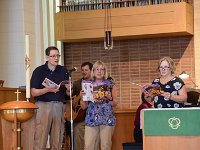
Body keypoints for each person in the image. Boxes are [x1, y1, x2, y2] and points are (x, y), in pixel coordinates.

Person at [30, 46, 70, 150]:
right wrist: (47, 89)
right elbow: (33, 92)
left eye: (58, 55)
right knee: (41, 137)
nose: (56, 58)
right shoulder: (39, 71)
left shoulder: (63, 70)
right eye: (53, 56)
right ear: (47, 57)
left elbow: (67, 95)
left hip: (59, 105)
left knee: (57, 138)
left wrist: (69, 90)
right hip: (43, 105)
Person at [81, 60, 117, 150]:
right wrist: (82, 97)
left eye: (102, 69)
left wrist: (109, 98)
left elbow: (115, 103)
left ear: (105, 72)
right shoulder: (87, 85)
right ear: (93, 71)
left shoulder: (110, 84)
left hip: (107, 118)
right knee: (88, 146)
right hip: (91, 118)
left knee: (105, 146)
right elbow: (84, 106)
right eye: (97, 69)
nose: (99, 71)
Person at [72, 62, 93, 150]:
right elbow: (72, 103)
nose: (84, 72)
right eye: (82, 70)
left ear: (91, 71)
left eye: (86, 70)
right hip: (80, 118)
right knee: (77, 134)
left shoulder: (96, 83)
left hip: (93, 117)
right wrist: (79, 96)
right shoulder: (76, 84)